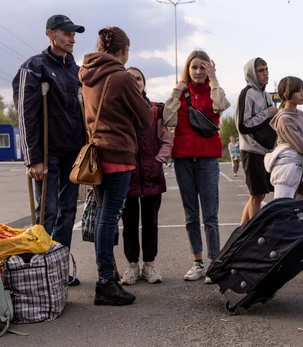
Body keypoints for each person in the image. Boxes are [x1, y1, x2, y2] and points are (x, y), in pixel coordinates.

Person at [79, 26, 153, 305]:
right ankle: (106, 283)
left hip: (97, 152)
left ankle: (105, 278)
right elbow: (146, 119)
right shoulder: (122, 77)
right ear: (123, 51)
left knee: (102, 217)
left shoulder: (86, 74)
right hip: (119, 153)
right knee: (109, 217)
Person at [12, 14, 86, 286]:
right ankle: (41, 267)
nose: (72, 38)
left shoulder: (74, 69)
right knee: (48, 211)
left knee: (68, 211)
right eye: (67, 33)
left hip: (72, 153)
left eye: (74, 34)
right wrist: (32, 159)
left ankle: (59, 266)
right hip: (47, 153)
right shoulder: (34, 66)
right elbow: (25, 114)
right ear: (51, 34)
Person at [164, 50, 230, 283]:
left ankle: (215, 262)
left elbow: (221, 106)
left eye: (203, 67)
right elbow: (168, 118)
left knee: (210, 214)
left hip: (207, 157)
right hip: (183, 157)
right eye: (195, 67)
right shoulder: (181, 93)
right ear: (188, 69)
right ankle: (197, 262)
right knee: (191, 214)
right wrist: (176, 92)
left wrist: (214, 80)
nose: (199, 71)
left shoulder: (214, 91)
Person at [120, 67, 172, 286]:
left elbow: (166, 140)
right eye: (130, 79)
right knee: (129, 224)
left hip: (151, 176)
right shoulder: (119, 110)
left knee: (150, 223)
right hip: (127, 177)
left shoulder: (155, 111)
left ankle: (149, 265)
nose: (136, 82)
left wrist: (158, 159)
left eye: (139, 78)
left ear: (144, 83)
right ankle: (132, 266)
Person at [263, 76, 303, 217]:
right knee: (283, 210)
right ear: (286, 95)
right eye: (299, 91)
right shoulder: (284, 118)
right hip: (288, 170)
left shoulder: (301, 114)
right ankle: (285, 236)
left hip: (300, 170)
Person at [235, 57, 278, 225]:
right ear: (252, 73)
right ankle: (253, 234)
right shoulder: (247, 94)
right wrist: (267, 113)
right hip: (251, 150)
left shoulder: (266, 94)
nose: (265, 73)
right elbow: (243, 125)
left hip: (265, 150)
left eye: (266, 69)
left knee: (258, 194)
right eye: (260, 70)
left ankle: (242, 231)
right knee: (256, 195)